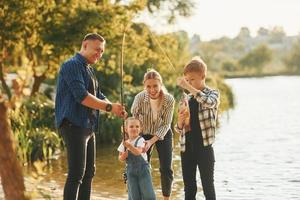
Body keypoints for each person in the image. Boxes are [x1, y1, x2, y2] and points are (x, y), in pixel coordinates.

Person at [55, 33, 126, 200]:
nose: (99, 54)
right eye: (96, 50)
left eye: (102, 51)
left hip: (88, 127)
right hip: (73, 124)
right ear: (85, 45)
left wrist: (114, 108)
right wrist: (110, 107)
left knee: (89, 173)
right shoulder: (71, 65)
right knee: (76, 174)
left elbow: (98, 95)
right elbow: (82, 96)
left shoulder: (89, 69)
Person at [175, 57, 220, 200]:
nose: (189, 83)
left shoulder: (213, 94)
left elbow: (208, 102)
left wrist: (188, 87)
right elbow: (179, 128)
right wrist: (180, 122)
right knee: (189, 187)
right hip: (186, 148)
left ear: (203, 76)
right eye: (187, 81)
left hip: (205, 149)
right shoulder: (186, 99)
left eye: (192, 80)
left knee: (208, 186)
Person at [131, 69, 175, 200]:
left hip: (163, 134)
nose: (152, 90)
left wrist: (151, 141)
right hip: (143, 134)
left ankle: (166, 197)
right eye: (148, 86)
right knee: (142, 167)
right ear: (144, 86)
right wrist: (136, 140)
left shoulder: (169, 100)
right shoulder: (139, 98)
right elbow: (134, 119)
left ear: (160, 84)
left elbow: (166, 125)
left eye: (155, 86)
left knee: (166, 168)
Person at [118, 117, 156, 200]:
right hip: (131, 172)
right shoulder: (124, 142)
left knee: (148, 194)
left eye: (137, 126)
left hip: (143, 171)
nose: (134, 128)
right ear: (126, 129)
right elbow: (120, 158)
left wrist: (129, 147)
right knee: (133, 194)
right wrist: (124, 154)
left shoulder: (140, 140)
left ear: (140, 129)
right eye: (131, 127)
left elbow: (138, 152)